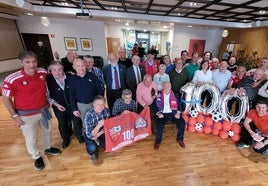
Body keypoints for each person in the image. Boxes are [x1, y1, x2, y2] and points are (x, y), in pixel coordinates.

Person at [2, 51, 61, 170]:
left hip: (44, 110)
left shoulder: (43, 72)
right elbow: (6, 98)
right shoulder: (12, 79)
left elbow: (55, 72)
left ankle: (48, 147)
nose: (31, 65)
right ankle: (36, 156)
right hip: (26, 115)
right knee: (31, 138)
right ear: (22, 63)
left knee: (47, 131)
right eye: (27, 62)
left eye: (34, 61)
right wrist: (14, 116)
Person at [69, 58, 104, 125]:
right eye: (78, 66)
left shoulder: (92, 76)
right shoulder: (71, 79)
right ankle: (88, 135)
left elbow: (100, 90)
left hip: (94, 104)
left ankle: (98, 135)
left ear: (85, 65)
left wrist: (99, 103)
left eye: (82, 65)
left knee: (97, 121)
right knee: (86, 124)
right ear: (74, 67)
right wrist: (74, 109)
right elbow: (71, 95)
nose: (81, 68)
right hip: (81, 106)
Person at [46, 61, 73, 148]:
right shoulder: (47, 79)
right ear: (51, 71)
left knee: (70, 119)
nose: (58, 72)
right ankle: (65, 139)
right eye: (54, 70)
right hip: (57, 104)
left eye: (60, 69)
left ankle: (70, 131)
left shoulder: (69, 76)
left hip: (70, 104)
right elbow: (46, 95)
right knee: (62, 122)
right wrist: (55, 104)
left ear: (63, 69)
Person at [152, 82, 186, 150]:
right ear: (163, 87)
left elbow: (180, 104)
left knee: (182, 123)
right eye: (165, 86)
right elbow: (154, 104)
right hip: (163, 114)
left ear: (171, 87)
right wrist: (158, 113)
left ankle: (180, 139)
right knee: (159, 124)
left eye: (168, 86)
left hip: (173, 113)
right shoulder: (158, 95)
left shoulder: (176, 94)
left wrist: (178, 112)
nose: (166, 88)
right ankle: (158, 141)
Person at [84, 95, 111, 163]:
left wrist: (97, 135)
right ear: (94, 105)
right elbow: (90, 135)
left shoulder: (106, 111)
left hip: (101, 131)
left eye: (102, 104)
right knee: (92, 148)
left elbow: (108, 127)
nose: (100, 107)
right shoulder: (88, 115)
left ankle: (99, 141)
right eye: (98, 104)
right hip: (91, 132)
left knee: (107, 146)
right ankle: (91, 154)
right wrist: (98, 126)